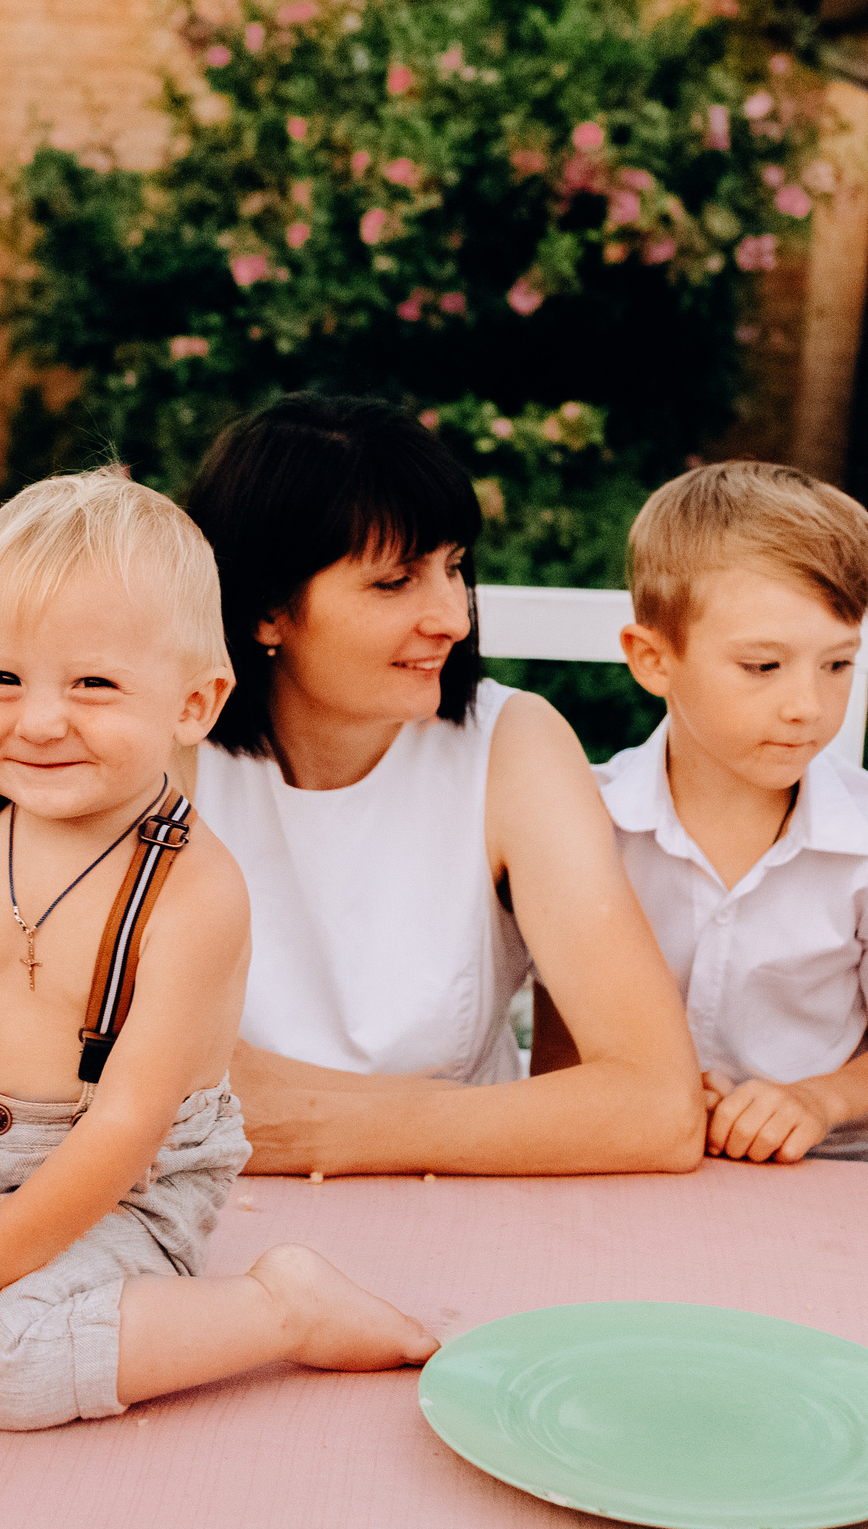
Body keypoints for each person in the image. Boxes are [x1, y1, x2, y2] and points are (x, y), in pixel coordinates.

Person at [0, 472, 435, 1429]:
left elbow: (127, 1125)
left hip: (117, 1194)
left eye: (93, 684)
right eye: (0, 679)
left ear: (194, 702)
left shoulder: (194, 890)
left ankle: (280, 1307)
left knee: (1, 1372)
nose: (39, 719)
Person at [184, 395, 706, 1176]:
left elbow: (659, 1106)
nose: (453, 618)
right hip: (213, 1212)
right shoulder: (172, 754)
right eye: (395, 581)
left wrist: (309, 1124)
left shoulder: (514, 746)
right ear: (265, 609)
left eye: (454, 567)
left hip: (457, 1204)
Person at [536, 463, 868, 1163]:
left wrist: (817, 1102)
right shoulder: (588, 826)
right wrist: (647, 1101)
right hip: (636, 1166)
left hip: (830, 1174)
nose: (807, 706)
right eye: (763, 666)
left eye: (837, 665)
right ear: (653, 660)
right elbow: (559, 1053)